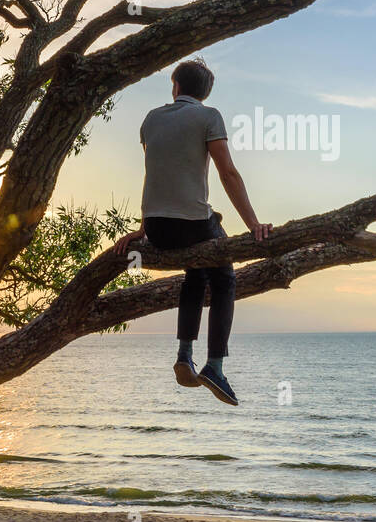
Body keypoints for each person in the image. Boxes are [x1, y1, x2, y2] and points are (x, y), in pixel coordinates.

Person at [114, 58, 271, 406]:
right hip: (192, 226)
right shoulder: (209, 116)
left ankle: (185, 354)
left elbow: (157, 174)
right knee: (225, 275)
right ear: (206, 93)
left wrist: (143, 230)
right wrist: (254, 225)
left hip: (157, 227)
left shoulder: (150, 119)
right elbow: (228, 173)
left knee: (196, 274)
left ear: (176, 87)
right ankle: (214, 364)